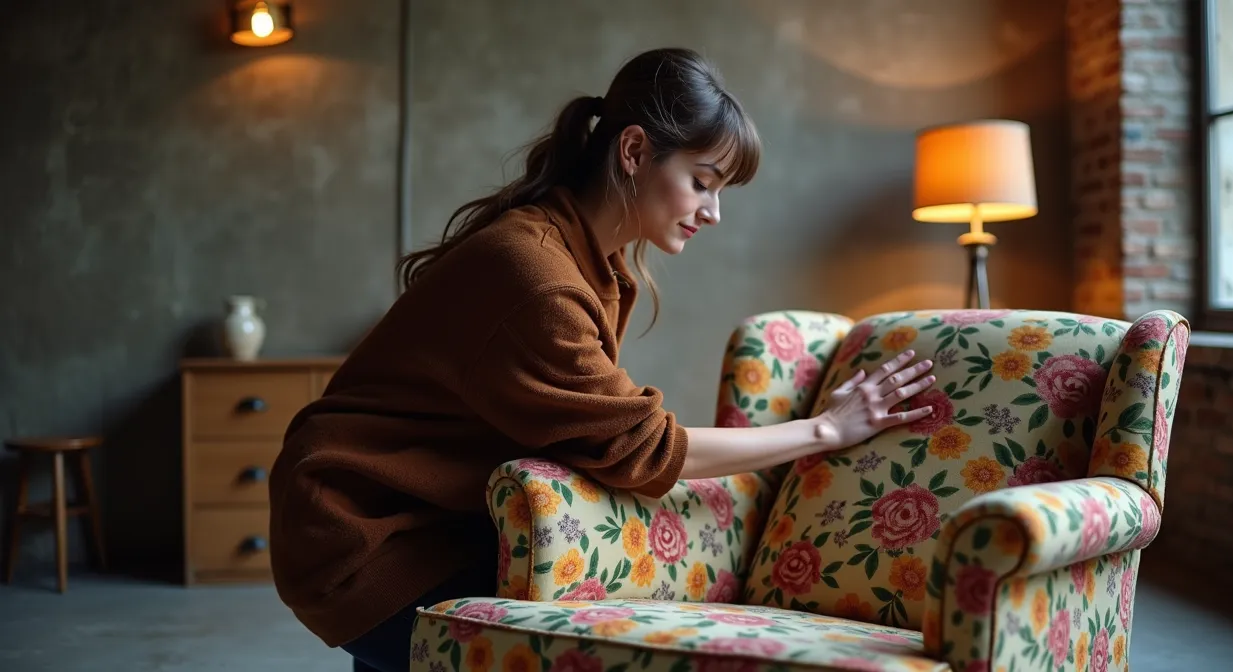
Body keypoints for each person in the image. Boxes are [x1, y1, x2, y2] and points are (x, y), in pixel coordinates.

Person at [267, 47, 936, 672]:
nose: (714, 212)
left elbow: (601, 437)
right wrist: (826, 430)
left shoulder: (590, 262)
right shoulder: (537, 275)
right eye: (703, 182)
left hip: (437, 517)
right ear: (636, 150)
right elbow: (642, 450)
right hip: (365, 529)